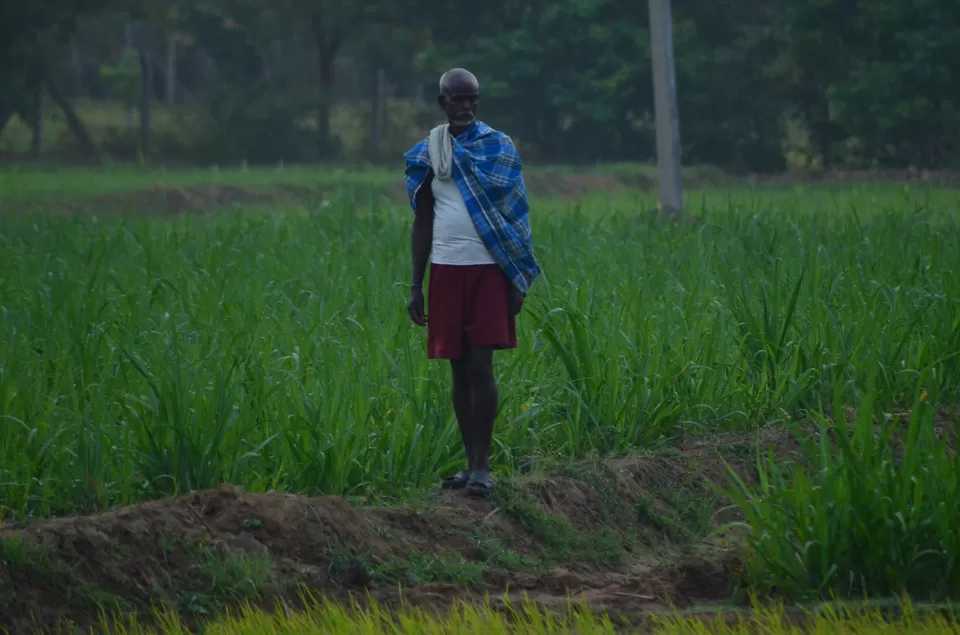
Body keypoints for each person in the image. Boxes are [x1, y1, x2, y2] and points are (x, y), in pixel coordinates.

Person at [403, 68, 540, 498]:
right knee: (458, 371)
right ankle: (468, 462)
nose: (465, 106)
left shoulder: (497, 147)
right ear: (442, 103)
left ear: (478, 101)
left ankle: (483, 466)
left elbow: (516, 217)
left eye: (472, 99)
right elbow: (422, 221)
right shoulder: (429, 153)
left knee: (482, 366)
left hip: (489, 271)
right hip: (446, 270)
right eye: (456, 99)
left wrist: (517, 279)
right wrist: (415, 284)